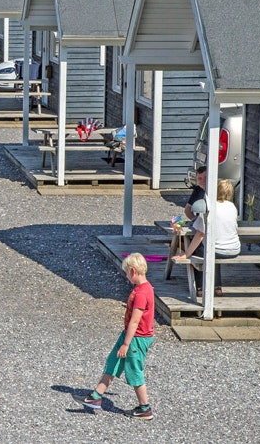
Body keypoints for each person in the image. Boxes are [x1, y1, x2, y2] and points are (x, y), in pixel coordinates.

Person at [77, 252, 156, 420]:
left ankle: (145, 408)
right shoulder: (144, 288)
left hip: (136, 338)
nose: (126, 276)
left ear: (133, 271)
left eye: (127, 273)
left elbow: (135, 321)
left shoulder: (142, 293)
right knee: (113, 361)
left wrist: (126, 344)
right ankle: (96, 397)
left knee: (134, 371)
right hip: (129, 335)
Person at [175, 178, 240, 298]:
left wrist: (187, 254)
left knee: (199, 248)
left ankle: (200, 287)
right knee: (212, 248)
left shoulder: (208, 208)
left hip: (217, 249)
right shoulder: (232, 207)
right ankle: (217, 287)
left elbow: (200, 234)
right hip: (234, 248)